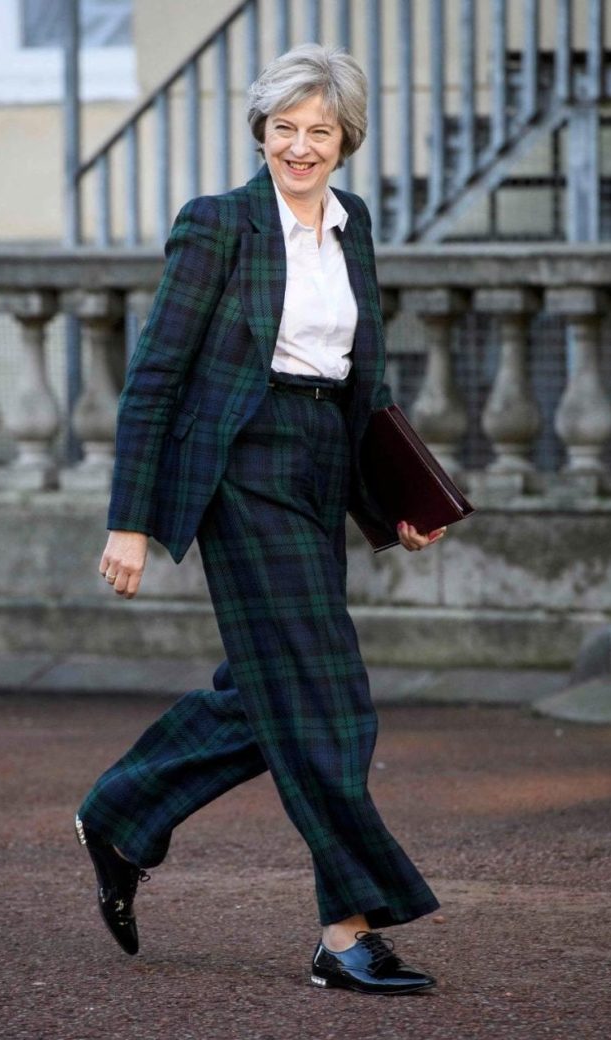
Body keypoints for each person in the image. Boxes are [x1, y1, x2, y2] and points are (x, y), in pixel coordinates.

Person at [75, 43, 446, 996]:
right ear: (261, 131)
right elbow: (154, 378)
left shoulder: (352, 225)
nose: (300, 146)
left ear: (346, 140)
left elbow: (365, 381)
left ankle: (122, 812)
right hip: (240, 470)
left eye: (320, 130)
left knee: (273, 690)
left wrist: (395, 498)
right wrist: (133, 522)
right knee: (332, 702)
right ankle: (348, 930)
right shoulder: (219, 225)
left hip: (322, 464)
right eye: (284, 128)